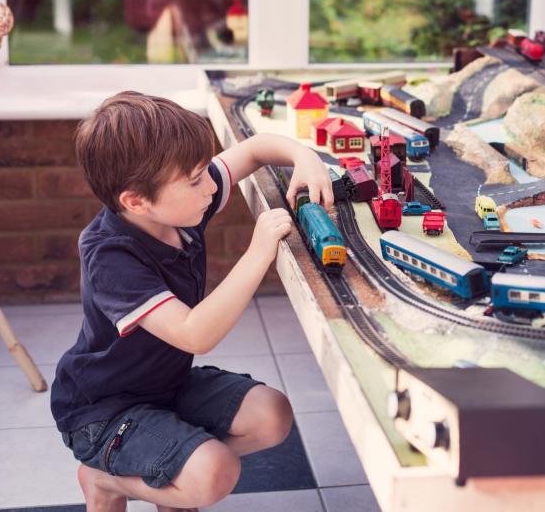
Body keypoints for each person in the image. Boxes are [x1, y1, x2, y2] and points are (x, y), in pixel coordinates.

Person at [50, 91, 333, 511]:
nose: (211, 185)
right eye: (196, 179)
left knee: (272, 414)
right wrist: (257, 253)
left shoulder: (176, 208)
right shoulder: (109, 255)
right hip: (102, 410)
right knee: (215, 472)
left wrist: (305, 157)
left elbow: (255, 150)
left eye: (205, 172)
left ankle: (173, 471)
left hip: (165, 385)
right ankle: (105, 481)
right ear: (136, 200)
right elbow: (194, 334)